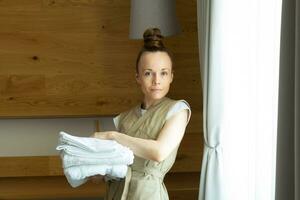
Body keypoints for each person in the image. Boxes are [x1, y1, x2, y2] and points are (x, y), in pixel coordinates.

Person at [91, 27, 191, 200]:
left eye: (163, 73)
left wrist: (112, 136)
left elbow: (159, 152)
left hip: (147, 194)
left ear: (171, 77)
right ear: (137, 77)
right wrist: (92, 160)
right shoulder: (125, 117)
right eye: (148, 73)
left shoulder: (178, 110)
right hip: (117, 192)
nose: (156, 80)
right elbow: (100, 176)